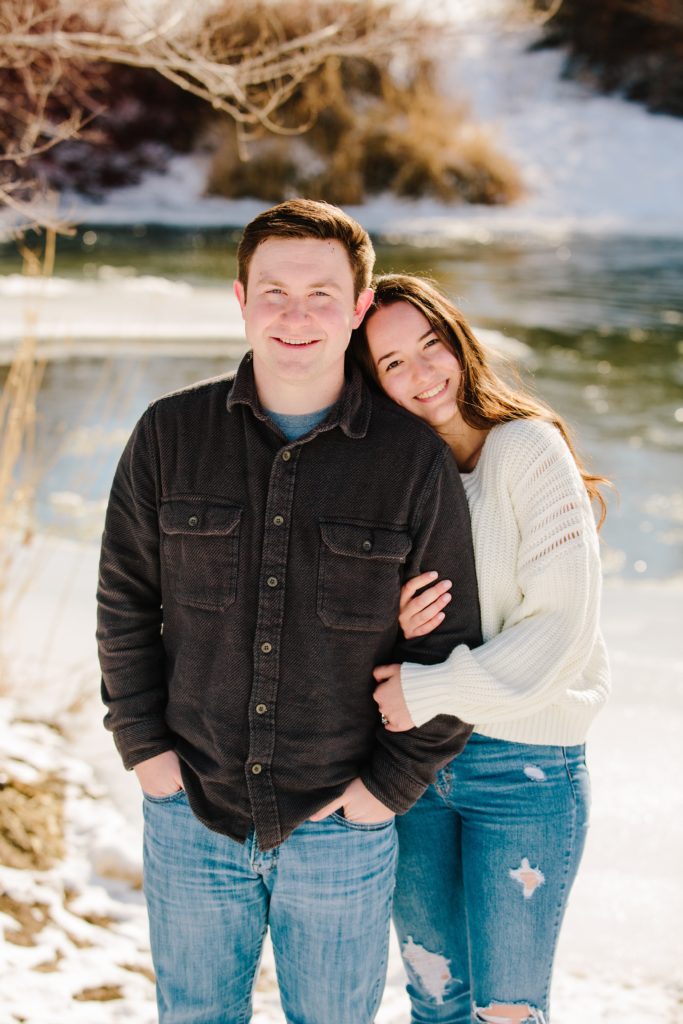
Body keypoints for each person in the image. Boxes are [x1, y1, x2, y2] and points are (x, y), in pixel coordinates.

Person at [96, 202, 482, 1024]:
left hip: (341, 822)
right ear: (240, 297)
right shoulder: (169, 434)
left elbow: (454, 647)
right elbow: (125, 602)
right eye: (274, 291)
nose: (295, 316)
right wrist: (145, 754)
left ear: (358, 305)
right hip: (190, 808)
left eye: (320, 295)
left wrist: (387, 787)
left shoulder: (410, 461)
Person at [350, 273, 611, 1024]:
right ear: (372, 383)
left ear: (459, 343)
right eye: (393, 363)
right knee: (434, 1001)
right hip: (416, 766)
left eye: (430, 346)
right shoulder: (395, 480)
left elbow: (558, 633)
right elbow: (347, 627)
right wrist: (387, 613)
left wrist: (427, 690)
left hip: (523, 769)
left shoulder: (526, 450)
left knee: (508, 1012)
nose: (422, 373)